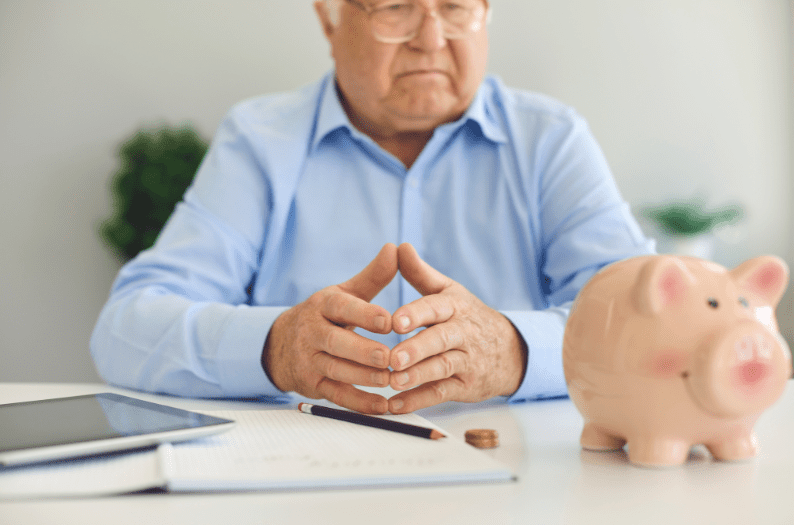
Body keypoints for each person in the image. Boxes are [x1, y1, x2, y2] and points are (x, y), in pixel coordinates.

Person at [91, 0, 655, 415]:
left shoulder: (549, 139)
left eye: (457, 7)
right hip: (302, 485)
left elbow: (648, 325)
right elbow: (124, 328)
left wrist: (511, 350)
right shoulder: (259, 141)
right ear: (329, 19)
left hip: (518, 481)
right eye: (396, 8)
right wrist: (274, 348)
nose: (431, 39)